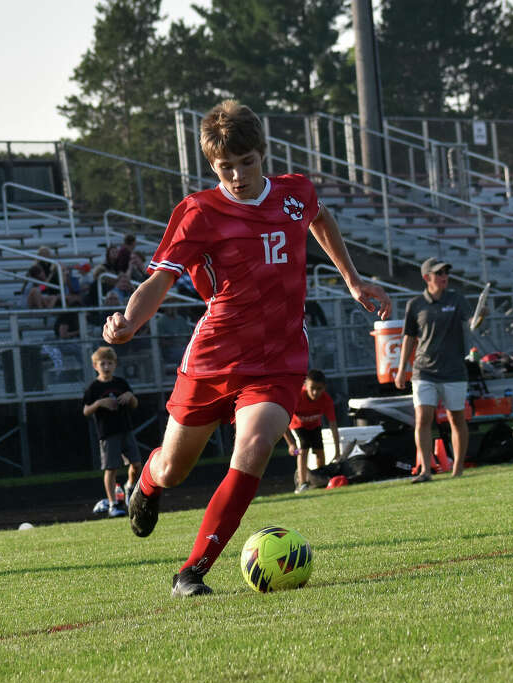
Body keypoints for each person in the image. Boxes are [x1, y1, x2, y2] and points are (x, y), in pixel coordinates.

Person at [102, 100, 391, 598]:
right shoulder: (198, 213)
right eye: (224, 167)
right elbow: (159, 281)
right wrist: (128, 321)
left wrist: (353, 280)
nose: (236, 175)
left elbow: (320, 218)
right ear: (212, 167)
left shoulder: (295, 192)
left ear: (263, 154)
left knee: (255, 449)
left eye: (246, 162)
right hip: (214, 357)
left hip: (278, 358)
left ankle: (190, 572)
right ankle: (147, 483)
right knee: (174, 468)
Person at [394, 257, 487, 483]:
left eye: (446, 272)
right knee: (423, 417)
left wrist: (482, 315)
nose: (444, 277)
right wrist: (401, 369)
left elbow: (473, 324)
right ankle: (425, 470)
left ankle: (458, 467)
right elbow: (409, 337)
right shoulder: (415, 304)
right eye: (439, 273)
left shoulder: (456, 299)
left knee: (456, 418)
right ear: (427, 278)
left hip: (454, 369)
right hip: (424, 370)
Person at [83, 346, 141, 518]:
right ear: (95, 366)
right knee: (111, 468)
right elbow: (86, 410)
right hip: (108, 433)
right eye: (102, 363)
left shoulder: (120, 383)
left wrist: (130, 396)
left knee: (137, 464)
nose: (106, 367)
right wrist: (100, 403)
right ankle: (113, 504)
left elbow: (135, 404)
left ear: (115, 365)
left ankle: (129, 486)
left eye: (109, 363)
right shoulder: (93, 388)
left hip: (125, 429)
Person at [281, 369, 340, 494]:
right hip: (297, 425)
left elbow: (333, 425)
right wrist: (291, 444)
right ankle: (302, 484)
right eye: (312, 388)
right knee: (303, 448)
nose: (315, 392)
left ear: (324, 387)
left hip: (314, 425)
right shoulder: (296, 397)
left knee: (319, 450)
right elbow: (282, 422)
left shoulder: (326, 400)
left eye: (319, 389)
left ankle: (320, 478)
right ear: (305, 385)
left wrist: (337, 452)